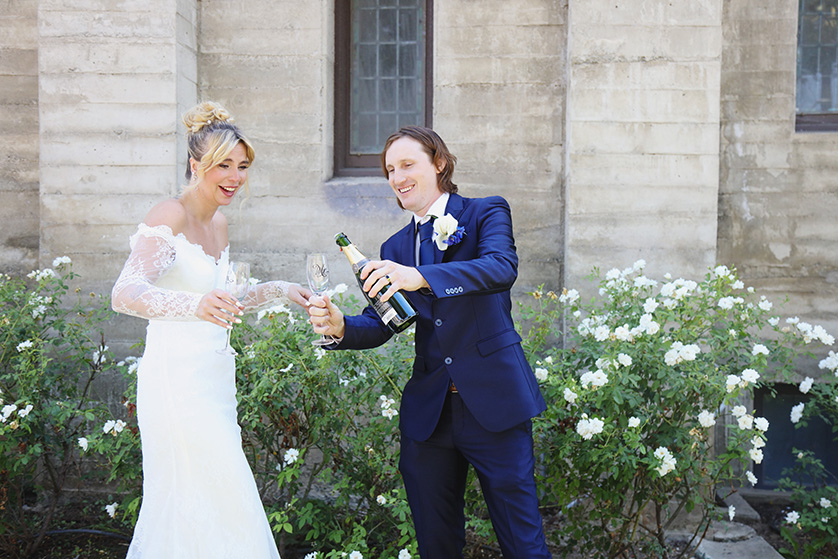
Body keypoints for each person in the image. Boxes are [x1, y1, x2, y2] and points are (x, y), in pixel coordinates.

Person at [308, 126, 551, 558]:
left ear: (439, 163)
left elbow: (500, 268)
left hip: (496, 405)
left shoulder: (485, 213)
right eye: (389, 170)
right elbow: (384, 323)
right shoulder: (394, 246)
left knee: (523, 543)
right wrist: (339, 326)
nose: (396, 177)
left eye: (406, 165)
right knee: (435, 545)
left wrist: (420, 276)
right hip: (429, 418)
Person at [111, 101, 309, 558]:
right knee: (211, 490)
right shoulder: (170, 215)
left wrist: (281, 289)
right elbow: (125, 293)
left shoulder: (219, 223)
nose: (235, 177)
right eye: (224, 165)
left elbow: (223, 301)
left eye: (242, 166)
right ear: (196, 165)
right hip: (175, 381)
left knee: (213, 497)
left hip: (213, 378)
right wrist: (195, 304)